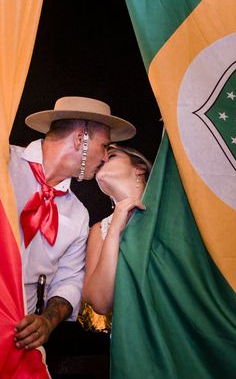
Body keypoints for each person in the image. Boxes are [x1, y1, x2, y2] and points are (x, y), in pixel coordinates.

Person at [10, 96, 135, 350]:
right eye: (105, 146)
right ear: (81, 139)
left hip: (19, 338)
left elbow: (70, 281)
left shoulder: (78, 214)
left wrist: (47, 321)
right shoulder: (2, 163)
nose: (105, 157)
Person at [82, 144, 152, 316]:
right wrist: (114, 230)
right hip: (130, 331)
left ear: (139, 168)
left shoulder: (169, 213)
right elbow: (100, 302)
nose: (103, 158)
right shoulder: (99, 229)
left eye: (112, 155)